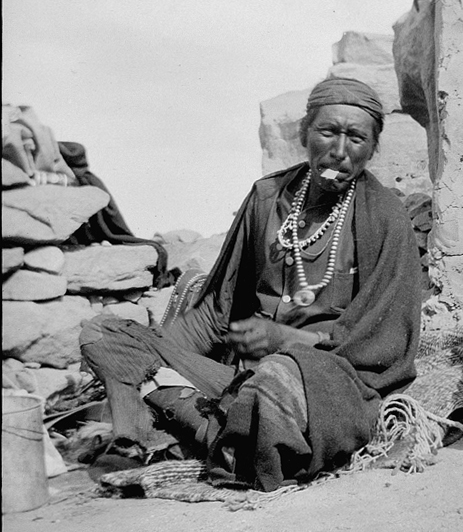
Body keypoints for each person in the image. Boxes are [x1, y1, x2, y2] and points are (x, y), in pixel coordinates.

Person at [80, 77, 422, 490]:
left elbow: (380, 343)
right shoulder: (266, 198)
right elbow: (218, 310)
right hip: (236, 376)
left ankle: (204, 427)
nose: (339, 151)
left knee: (274, 384)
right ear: (303, 132)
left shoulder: (385, 217)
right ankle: (140, 435)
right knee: (104, 333)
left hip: (318, 379)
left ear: (373, 148)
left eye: (356, 138)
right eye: (328, 132)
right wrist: (156, 354)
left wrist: (285, 338)